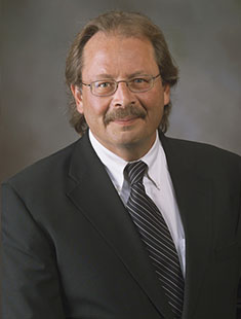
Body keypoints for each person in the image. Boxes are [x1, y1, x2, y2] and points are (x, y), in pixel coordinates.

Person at [2, 10, 241, 319]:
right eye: (104, 84)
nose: (123, 99)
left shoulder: (229, 177)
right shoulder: (27, 203)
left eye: (139, 80)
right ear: (78, 96)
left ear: (165, 88)